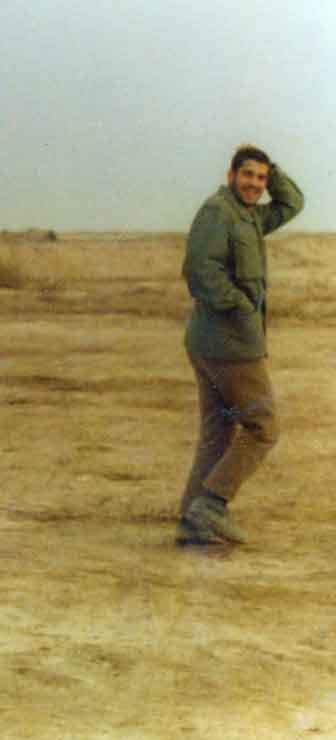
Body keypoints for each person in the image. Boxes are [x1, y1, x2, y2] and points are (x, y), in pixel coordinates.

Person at [175, 145, 304, 547]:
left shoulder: (249, 216)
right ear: (231, 176)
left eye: (262, 178)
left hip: (214, 342)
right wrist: (241, 307)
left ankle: (192, 519)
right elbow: (200, 270)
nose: (255, 184)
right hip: (229, 345)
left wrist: (273, 170)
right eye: (248, 175)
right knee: (263, 428)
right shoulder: (219, 212)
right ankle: (212, 505)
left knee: (218, 430)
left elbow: (292, 203)